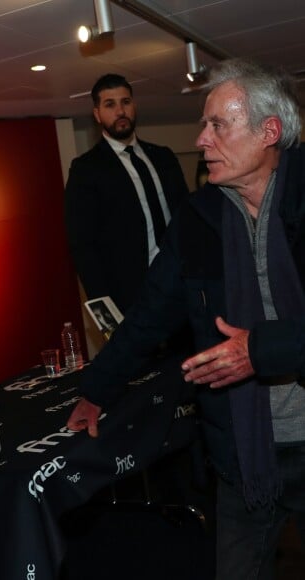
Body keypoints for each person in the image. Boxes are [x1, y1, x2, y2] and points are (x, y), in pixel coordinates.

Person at [67, 58, 305, 579]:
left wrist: (259, 352)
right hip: (242, 452)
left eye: (218, 124)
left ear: (270, 131)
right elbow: (150, 314)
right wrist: (96, 390)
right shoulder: (199, 220)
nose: (201, 139)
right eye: (203, 123)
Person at [64, 73, 189, 314]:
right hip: (129, 294)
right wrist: (105, 308)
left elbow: (186, 217)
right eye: (110, 105)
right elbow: (82, 245)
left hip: (180, 282)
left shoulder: (163, 157)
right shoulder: (86, 169)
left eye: (126, 102)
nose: (120, 111)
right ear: (97, 114)